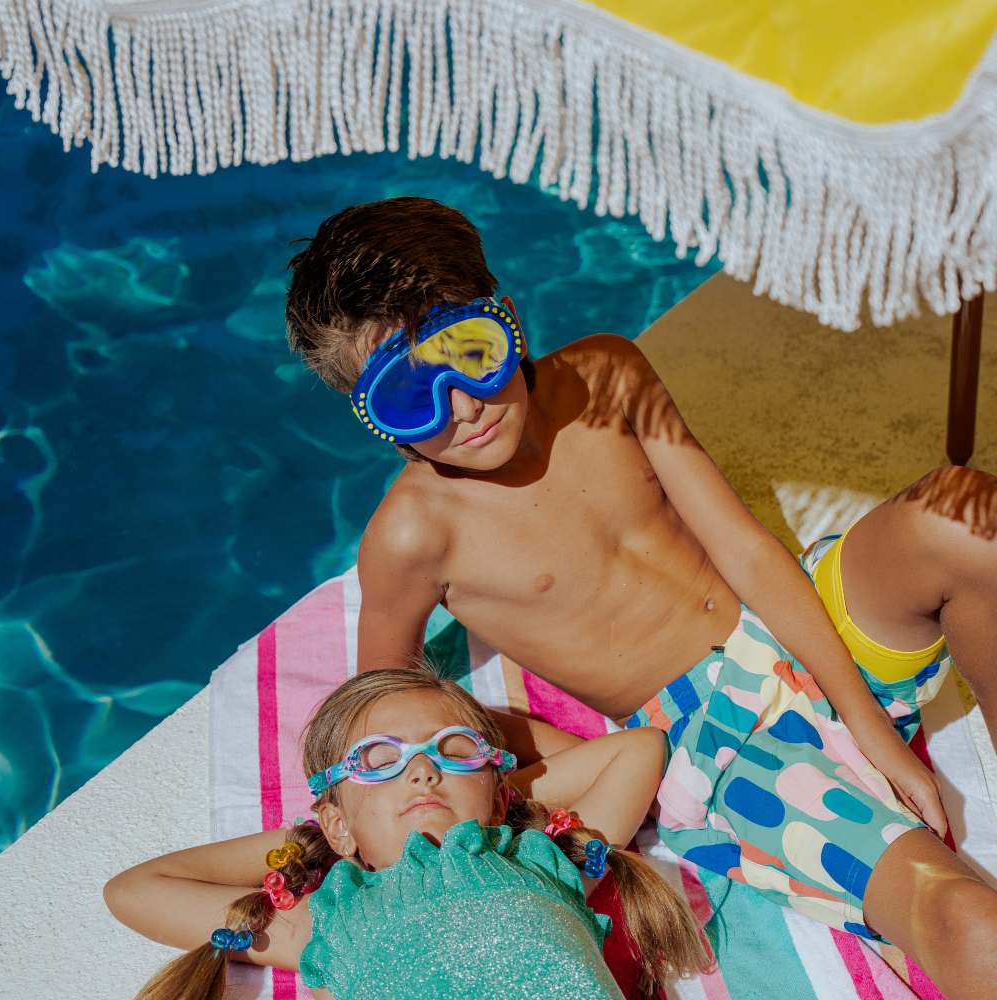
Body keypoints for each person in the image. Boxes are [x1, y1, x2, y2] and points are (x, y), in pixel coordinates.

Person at [282, 196, 997, 999]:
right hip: (725, 744)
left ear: (508, 320)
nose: (462, 405)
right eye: (410, 398)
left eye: (471, 353)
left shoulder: (609, 375)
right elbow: (388, 716)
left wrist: (872, 727)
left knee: (963, 514)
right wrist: (542, 753)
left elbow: (745, 551)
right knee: (963, 916)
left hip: (796, 619)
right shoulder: (413, 537)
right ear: (371, 420)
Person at [104, 668, 713, 999]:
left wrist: (491, 791)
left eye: (452, 750)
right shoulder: (334, 922)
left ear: (503, 797)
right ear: (337, 822)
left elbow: (640, 748)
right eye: (378, 759)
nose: (422, 768)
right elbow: (134, 889)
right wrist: (320, 832)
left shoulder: (539, 861)